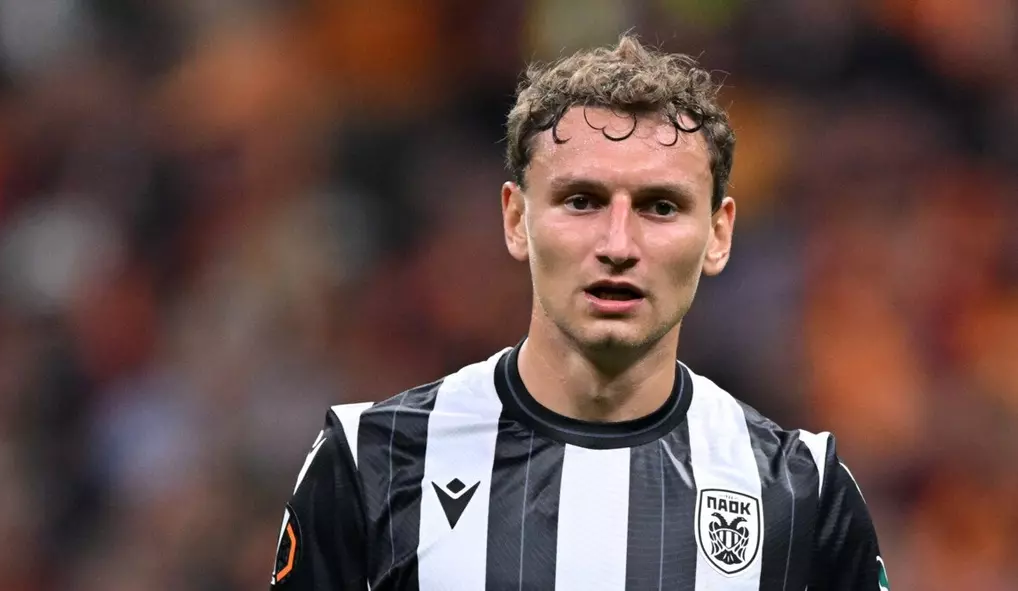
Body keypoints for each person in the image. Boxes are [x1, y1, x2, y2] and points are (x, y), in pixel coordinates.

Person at [268, 34, 889, 590]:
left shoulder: (801, 491)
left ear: (718, 234)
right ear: (517, 219)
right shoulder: (369, 461)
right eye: (582, 201)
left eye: (660, 207)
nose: (618, 245)